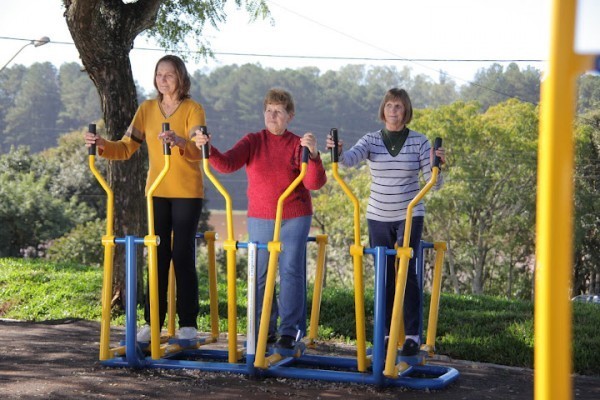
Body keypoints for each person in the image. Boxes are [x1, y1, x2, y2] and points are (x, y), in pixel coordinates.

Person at [84, 55, 206, 342]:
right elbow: (126, 148)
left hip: (187, 191)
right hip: (156, 191)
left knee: (182, 255)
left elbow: (198, 148)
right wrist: (102, 145)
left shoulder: (192, 109)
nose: (163, 80)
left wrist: (180, 142)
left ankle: (188, 324)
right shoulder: (147, 109)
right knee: (158, 255)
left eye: (170, 75)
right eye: (159, 75)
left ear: (181, 79)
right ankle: (152, 323)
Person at [194, 88, 327, 349]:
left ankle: (289, 331)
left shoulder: (297, 143)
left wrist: (313, 156)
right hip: (261, 215)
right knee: (259, 274)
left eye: (278, 112)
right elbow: (227, 163)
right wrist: (208, 148)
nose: (272, 116)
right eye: (268, 111)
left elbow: (314, 183)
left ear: (290, 115)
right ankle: (262, 327)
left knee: (289, 271)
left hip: (294, 215)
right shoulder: (253, 140)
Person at [326, 87, 445, 356]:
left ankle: (412, 336)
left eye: (399, 107)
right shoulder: (371, 139)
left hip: (409, 213)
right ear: (383, 110)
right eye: (389, 106)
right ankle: (385, 334)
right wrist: (339, 151)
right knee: (384, 276)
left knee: (407, 271)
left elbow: (432, 183)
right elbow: (348, 161)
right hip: (378, 214)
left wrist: (439, 167)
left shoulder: (419, 141)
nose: (393, 111)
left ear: (406, 111)